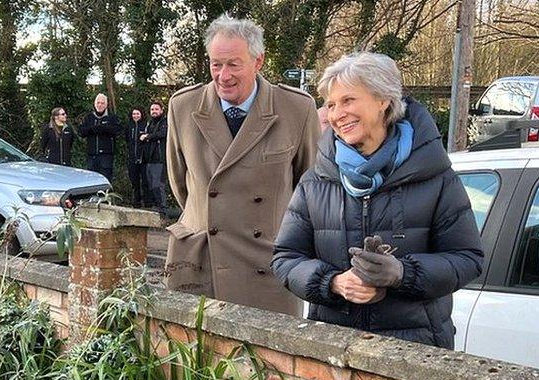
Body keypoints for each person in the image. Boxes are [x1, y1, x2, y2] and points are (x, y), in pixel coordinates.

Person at [271, 52, 484, 349]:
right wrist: (332, 282)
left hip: (415, 350)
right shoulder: (316, 180)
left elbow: (468, 258)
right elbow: (285, 258)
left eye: (348, 101)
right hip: (334, 348)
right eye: (331, 105)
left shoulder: (436, 177)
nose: (336, 114)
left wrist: (402, 274)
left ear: (383, 99)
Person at [164, 14, 320, 315]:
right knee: (197, 360)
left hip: (267, 266)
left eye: (233, 64)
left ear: (258, 61)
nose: (223, 76)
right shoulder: (182, 106)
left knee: (266, 361)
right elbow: (180, 183)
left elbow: (308, 189)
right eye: (215, 64)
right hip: (199, 262)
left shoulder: (297, 109)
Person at [79, 93, 122, 182]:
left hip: (106, 156)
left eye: (102, 103)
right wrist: (92, 129)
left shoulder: (112, 117)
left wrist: (104, 128)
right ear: (95, 104)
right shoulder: (89, 118)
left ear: (106, 104)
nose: (100, 105)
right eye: (98, 103)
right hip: (92, 155)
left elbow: (118, 131)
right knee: (91, 180)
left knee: (105, 180)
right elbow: (81, 132)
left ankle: (105, 196)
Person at [141, 101, 168, 212]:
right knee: (151, 185)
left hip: (159, 159)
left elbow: (163, 134)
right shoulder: (149, 123)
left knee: (158, 185)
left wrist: (147, 136)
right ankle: (156, 209)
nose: (154, 111)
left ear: (161, 110)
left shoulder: (165, 122)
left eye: (156, 109)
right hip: (149, 159)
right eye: (152, 109)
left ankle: (163, 210)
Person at [124, 107, 148, 206]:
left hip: (143, 158)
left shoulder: (146, 125)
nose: (136, 116)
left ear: (141, 114)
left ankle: (148, 203)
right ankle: (136, 202)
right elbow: (127, 139)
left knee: (145, 182)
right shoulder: (129, 126)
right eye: (134, 114)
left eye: (137, 114)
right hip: (132, 158)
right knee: (134, 182)